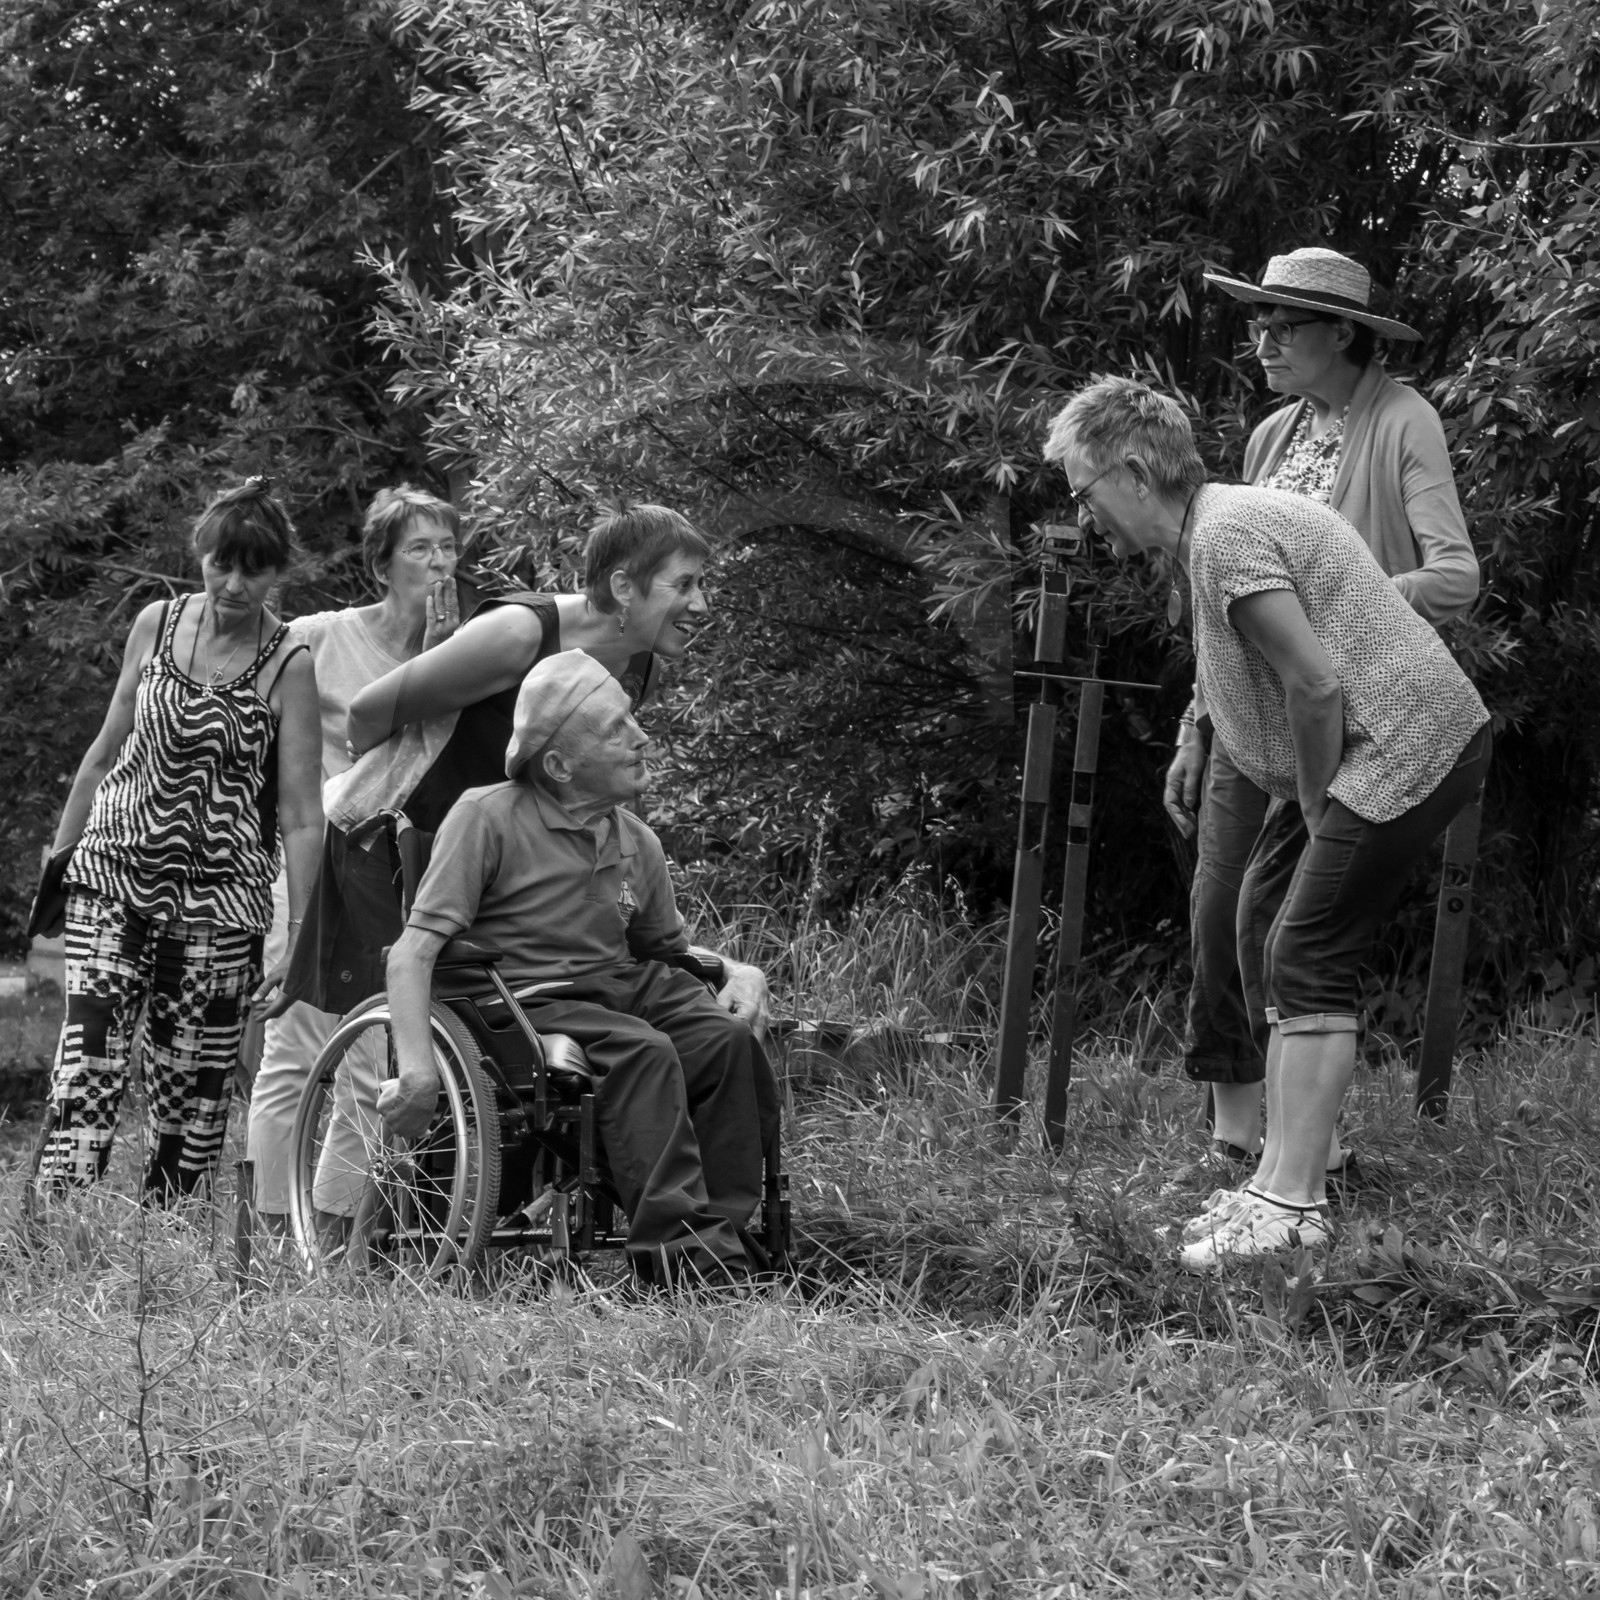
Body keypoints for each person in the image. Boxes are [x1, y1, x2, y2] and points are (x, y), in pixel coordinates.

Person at [1043, 377, 1490, 1270]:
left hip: (1403, 742)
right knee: (1258, 924)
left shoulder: (1225, 536)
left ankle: (1295, 1203)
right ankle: (1275, 1181)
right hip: (1358, 746)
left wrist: (1316, 804)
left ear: (1133, 474)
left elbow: (1315, 684)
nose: (1084, 518)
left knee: (1307, 951)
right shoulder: (1212, 530)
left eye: (1083, 494)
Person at [1163, 247, 1480, 1170]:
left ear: (1341, 333)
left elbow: (1456, 575)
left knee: (1291, 931)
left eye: (1282, 326)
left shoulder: (1403, 419)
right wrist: (1193, 726)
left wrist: (1345, 608)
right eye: (1256, 324)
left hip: (1348, 714)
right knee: (1218, 910)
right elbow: (1231, 597)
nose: (1261, 342)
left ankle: (1310, 1148)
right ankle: (1234, 1133)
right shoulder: (1270, 436)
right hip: (1247, 713)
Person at [379, 650, 778, 1285]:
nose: (641, 737)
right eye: (617, 729)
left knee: (725, 1040)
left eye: (633, 720)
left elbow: (669, 952)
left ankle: (726, 1242)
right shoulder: (487, 815)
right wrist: (418, 1072)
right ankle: (687, 1264)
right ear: (560, 765)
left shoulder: (636, 840)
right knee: (642, 1051)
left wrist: (738, 972)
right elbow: (411, 951)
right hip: (521, 1000)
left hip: (617, 990)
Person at [285, 504, 712, 1020]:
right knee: (388, 1029)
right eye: (684, 585)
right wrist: (368, 762)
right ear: (623, 587)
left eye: (700, 585)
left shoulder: (640, 667)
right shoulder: (519, 633)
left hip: (492, 854)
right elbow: (367, 712)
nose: (701, 603)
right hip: (402, 836)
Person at [32, 480, 323, 1200]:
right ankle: (53, 1224)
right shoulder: (156, 624)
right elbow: (104, 752)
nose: (233, 585)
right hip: (111, 876)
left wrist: (298, 937)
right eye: (221, 564)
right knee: (87, 1064)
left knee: (191, 1091)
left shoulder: (291, 664)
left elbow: (301, 816)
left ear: (277, 573)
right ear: (201, 555)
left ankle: (164, 1231)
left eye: (253, 570)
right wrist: (58, 869)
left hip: (221, 906)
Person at [244, 484, 462, 1228]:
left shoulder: (467, 651)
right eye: (419, 549)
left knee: (373, 1061)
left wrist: (440, 656)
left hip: (398, 875)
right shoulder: (318, 638)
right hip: (313, 866)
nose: (439, 563)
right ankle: (273, 1232)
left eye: (448, 547)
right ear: (381, 566)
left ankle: (332, 1239)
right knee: (295, 1053)